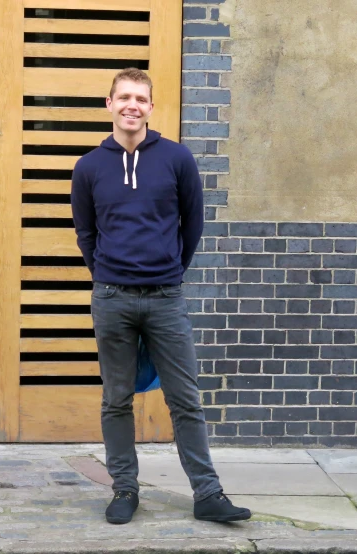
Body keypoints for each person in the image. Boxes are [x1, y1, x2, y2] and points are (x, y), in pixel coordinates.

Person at [70, 68, 251, 525]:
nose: (132, 105)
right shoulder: (89, 167)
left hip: (166, 298)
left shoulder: (177, 159)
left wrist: (168, 270)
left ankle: (208, 494)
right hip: (111, 298)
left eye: (141, 98)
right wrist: (108, 274)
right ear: (109, 104)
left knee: (185, 398)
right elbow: (86, 233)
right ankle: (124, 491)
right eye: (124, 97)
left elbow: (193, 226)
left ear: (152, 107)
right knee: (116, 399)